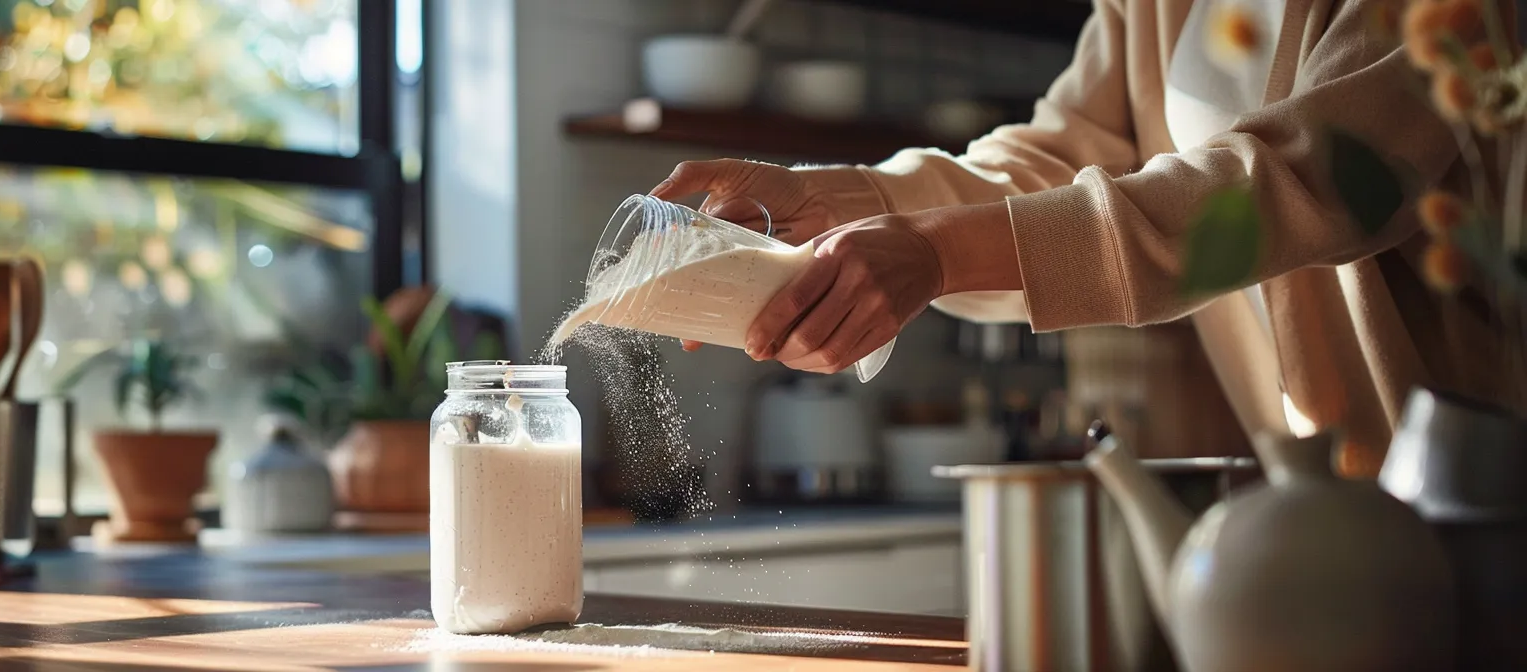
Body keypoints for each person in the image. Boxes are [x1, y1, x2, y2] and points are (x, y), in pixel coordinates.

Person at [648, 0, 1512, 475]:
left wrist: (939, 250)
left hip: (1481, 499)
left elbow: (1303, 183)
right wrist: (842, 200)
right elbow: (1051, 159)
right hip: (1326, 507)